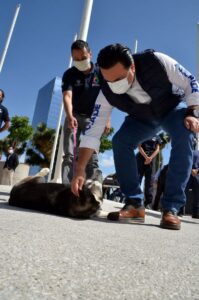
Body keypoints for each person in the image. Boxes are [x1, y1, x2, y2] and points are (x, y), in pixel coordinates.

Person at [71, 43, 199, 230]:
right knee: (120, 141)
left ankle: (171, 208)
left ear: (132, 66)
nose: (115, 85)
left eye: (120, 79)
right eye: (110, 81)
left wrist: (193, 112)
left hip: (171, 109)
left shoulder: (157, 61)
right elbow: (93, 131)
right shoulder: (107, 90)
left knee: (185, 134)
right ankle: (134, 205)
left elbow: (191, 82)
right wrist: (80, 168)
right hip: (142, 118)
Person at [61, 40, 110, 184]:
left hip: (93, 118)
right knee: (69, 155)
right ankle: (67, 186)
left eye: (82, 58)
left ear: (90, 54)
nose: (79, 61)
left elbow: (107, 96)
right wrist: (69, 116)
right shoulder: (69, 74)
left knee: (92, 156)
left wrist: (106, 119)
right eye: (75, 59)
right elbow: (67, 96)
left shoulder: (100, 72)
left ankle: (93, 187)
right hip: (74, 116)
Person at [136, 136, 161, 208]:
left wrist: (150, 158)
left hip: (151, 158)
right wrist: (146, 157)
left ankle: (147, 202)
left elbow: (157, 149)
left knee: (149, 180)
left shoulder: (157, 137)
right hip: (141, 157)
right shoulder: (144, 133)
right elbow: (139, 146)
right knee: (137, 178)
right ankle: (134, 199)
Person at [186, 150, 199, 219]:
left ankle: (196, 213)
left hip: (198, 174)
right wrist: (191, 170)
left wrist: (197, 170)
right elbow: (186, 160)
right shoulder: (192, 152)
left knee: (197, 195)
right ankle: (179, 210)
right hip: (188, 173)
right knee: (184, 191)